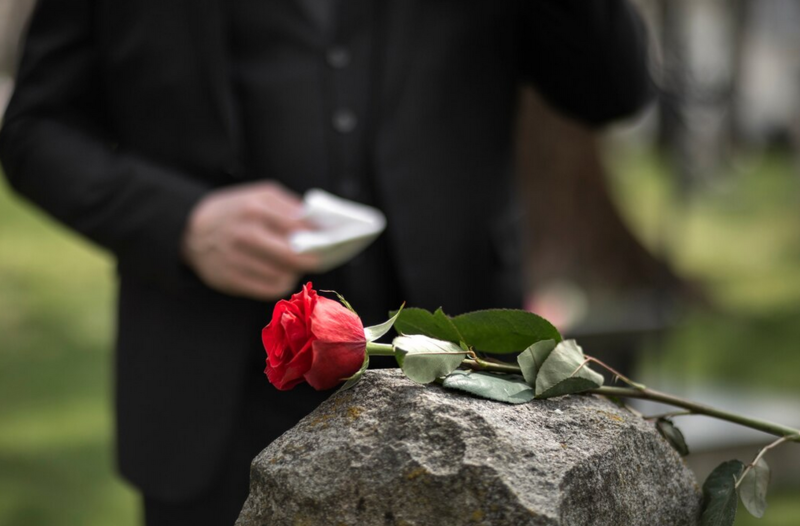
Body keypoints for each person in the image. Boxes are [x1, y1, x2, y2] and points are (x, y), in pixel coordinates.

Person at [0, 0, 653, 523]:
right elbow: (35, 130)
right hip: (210, 391)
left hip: (465, 369)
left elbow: (611, 88)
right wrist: (182, 223)